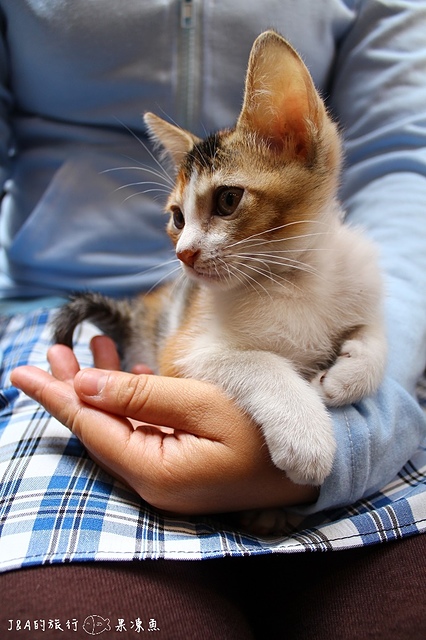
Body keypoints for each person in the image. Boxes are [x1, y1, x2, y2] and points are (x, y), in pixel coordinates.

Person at [1, 1, 426, 638]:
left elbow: (403, 158)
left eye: (223, 202)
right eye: (178, 216)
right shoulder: (198, 272)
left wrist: (370, 404)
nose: (185, 247)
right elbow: (196, 347)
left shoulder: (350, 264)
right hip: (49, 306)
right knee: (81, 621)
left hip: (353, 319)